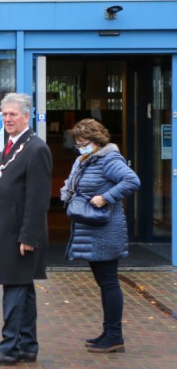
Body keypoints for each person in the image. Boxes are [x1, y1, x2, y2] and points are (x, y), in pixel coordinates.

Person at [0, 93, 52, 366]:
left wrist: (29, 236)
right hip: (7, 231)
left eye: (13, 114)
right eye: (4, 114)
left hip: (20, 234)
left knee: (15, 290)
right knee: (23, 288)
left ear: (26, 117)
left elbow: (38, 198)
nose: (7, 119)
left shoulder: (36, 148)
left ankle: (8, 347)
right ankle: (27, 346)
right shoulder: (12, 145)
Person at [61, 118, 140, 353]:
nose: (80, 147)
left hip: (105, 230)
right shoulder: (84, 160)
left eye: (84, 142)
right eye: (77, 143)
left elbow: (132, 180)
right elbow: (73, 184)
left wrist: (106, 197)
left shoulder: (109, 159)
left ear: (97, 141)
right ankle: (108, 333)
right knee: (104, 282)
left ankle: (114, 335)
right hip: (91, 229)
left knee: (108, 282)